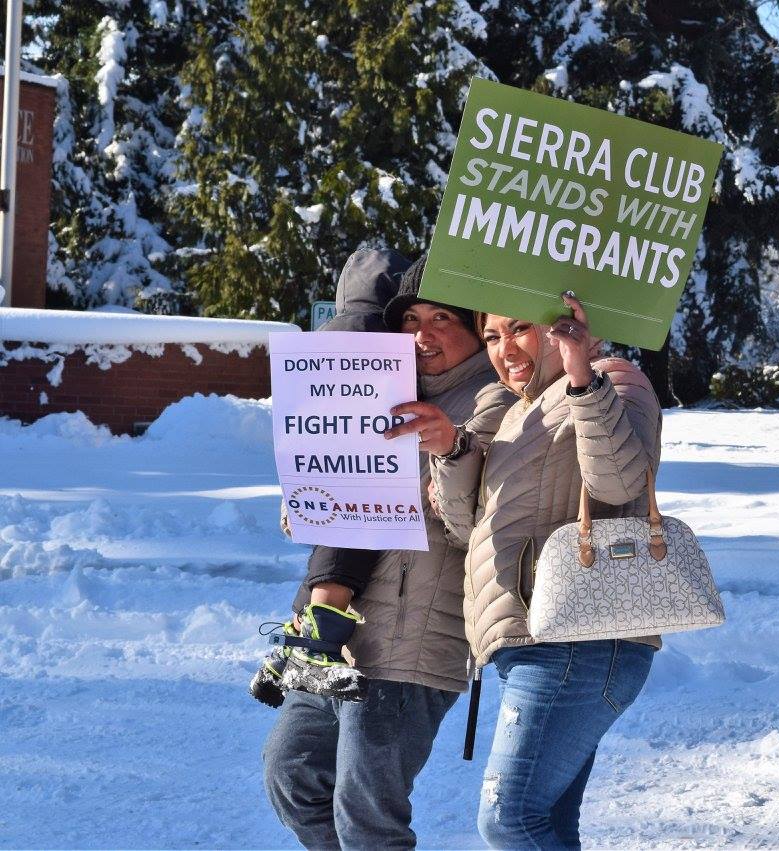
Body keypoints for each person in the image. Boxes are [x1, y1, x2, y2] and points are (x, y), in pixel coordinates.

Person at [261, 256, 515, 850]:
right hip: (331, 635)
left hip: (413, 642)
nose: (423, 335)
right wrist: (308, 495)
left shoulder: (497, 403)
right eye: (410, 320)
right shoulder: (371, 387)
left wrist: (448, 450)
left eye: (442, 318)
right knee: (292, 777)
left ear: (476, 326)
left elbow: (478, 526)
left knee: (366, 812)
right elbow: (328, 505)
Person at [394, 293, 663, 850]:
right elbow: (468, 530)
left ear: (561, 326)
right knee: (548, 823)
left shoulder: (616, 379)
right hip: (530, 639)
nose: (504, 349)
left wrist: (582, 377)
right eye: (492, 336)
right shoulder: (518, 409)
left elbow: (619, 485)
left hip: (579, 640)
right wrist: (452, 450)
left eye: (519, 329)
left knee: (509, 818)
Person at [252, 247, 410, 707]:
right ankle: (315, 647)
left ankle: (288, 648)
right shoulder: (388, 342)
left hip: (323, 470)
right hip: (367, 468)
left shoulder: (327, 339)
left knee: (334, 544)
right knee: (356, 530)